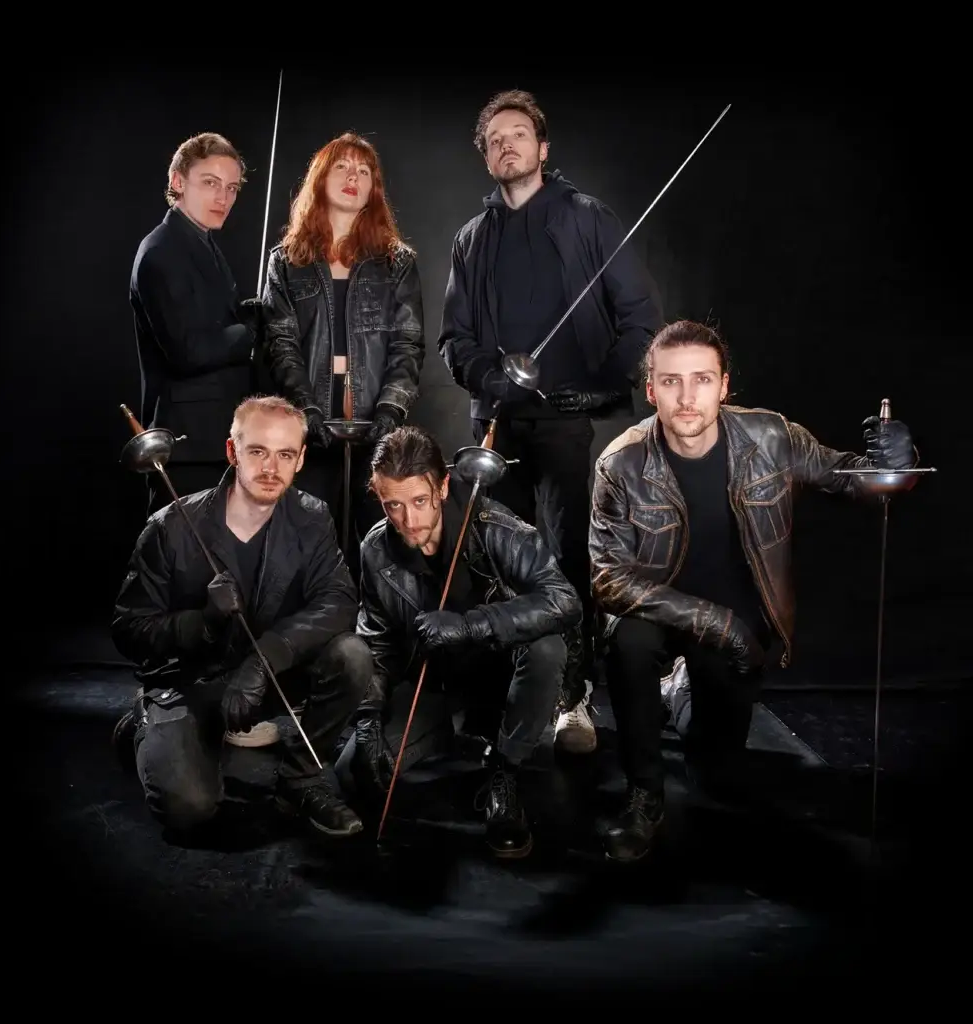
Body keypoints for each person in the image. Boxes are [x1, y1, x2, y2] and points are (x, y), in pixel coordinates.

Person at [588, 319, 918, 862]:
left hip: (741, 617)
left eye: (701, 379)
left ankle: (682, 697)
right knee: (629, 645)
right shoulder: (620, 463)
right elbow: (608, 580)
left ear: (724, 386)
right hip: (661, 611)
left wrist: (899, 466)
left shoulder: (771, 437)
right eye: (671, 381)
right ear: (651, 391)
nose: (687, 397)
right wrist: (719, 625)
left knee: (715, 776)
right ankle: (643, 795)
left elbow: (850, 477)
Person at [437, 89, 664, 756]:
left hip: (565, 425)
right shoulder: (472, 239)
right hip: (497, 426)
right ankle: (502, 703)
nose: (506, 145)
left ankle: (572, 698)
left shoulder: (587, 217)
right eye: (494, 140)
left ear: (541, 148)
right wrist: (490, 379)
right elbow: (454, 339)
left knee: (565, 558)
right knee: (494, 560)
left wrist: (599, 387)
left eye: (518, 134)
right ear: (486, 159)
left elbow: (640, 319)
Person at [110, 395, 373, 842]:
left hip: (266, 678)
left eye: (285, 454)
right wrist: (203, 622)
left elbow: (338, 601)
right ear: (232, 451)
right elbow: (128, 629)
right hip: (193, 682)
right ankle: (144, 720)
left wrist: (264, 659)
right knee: (188, 809)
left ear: (300, 459)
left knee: (352, 655)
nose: (271, 467)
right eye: (257, 451)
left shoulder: (311, 517)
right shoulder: (170, 527)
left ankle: (300, 779)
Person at [335, 425, 582, 860]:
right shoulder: (376, 548)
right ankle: (453, 735)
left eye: (419, 501)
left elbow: (564, 602)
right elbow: (376, 641)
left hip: (504, 680)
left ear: (443, 485)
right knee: (354, 775)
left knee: (547, 648)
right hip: (435, 684)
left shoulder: (496, 527)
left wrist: (471, 625)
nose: (408, 520)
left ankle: (505, 771)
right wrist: (369, 717)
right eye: (393, 505)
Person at [261, 131, 425, 575]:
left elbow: (407, 344)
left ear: (374, 188)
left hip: (374, 426)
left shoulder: (396, 262)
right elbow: (280, 343)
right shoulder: (286, 262)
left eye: (364, 171)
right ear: (320, 179)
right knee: (306, 547)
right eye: (342, 167)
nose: (354, 177)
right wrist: (305, 408)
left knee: (380, 551)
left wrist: (390, 410)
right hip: (308, 429)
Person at [130, 132, 257, 515]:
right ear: (178, 181)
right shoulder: (161, 250)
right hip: (189, 446)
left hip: (214, 438)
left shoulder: (201, 241)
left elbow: (211, 320)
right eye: (210, 183)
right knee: (181, 550)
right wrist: (252, 331)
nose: (223, 198)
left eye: (232, 188)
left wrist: (247, 313)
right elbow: (190, 350)